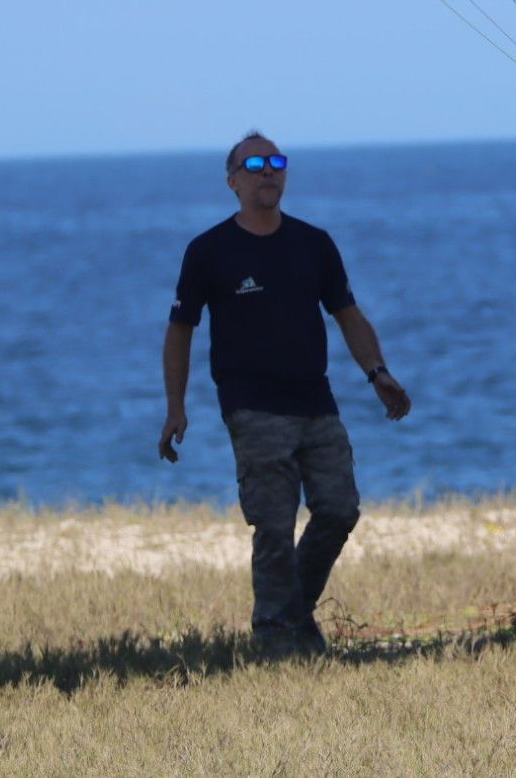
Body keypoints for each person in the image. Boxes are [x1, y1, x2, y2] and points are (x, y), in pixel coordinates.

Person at [159, 131, 411, 657]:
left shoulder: (313, 243)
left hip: (315, 400)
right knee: (273, 525)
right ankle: (277, 642)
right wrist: (175, 407)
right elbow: (180, 331)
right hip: (251, 405)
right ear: (233, 182)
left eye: (276, 162)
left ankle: (289, 616)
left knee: (339, 509)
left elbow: (348, 314)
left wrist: (378, 373)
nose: (268, 171)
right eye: (254, 165)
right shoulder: (208, 251)